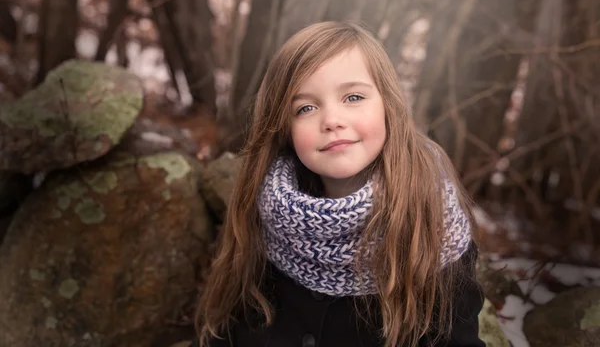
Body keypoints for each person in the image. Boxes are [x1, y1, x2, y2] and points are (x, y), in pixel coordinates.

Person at [190, 21, 485, 347]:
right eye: (306, 107)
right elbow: (227, 333)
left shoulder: (432, 224)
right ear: (283, 127)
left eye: (353, 97)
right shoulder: (266, 210)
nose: (331, 120)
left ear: (388, 104)